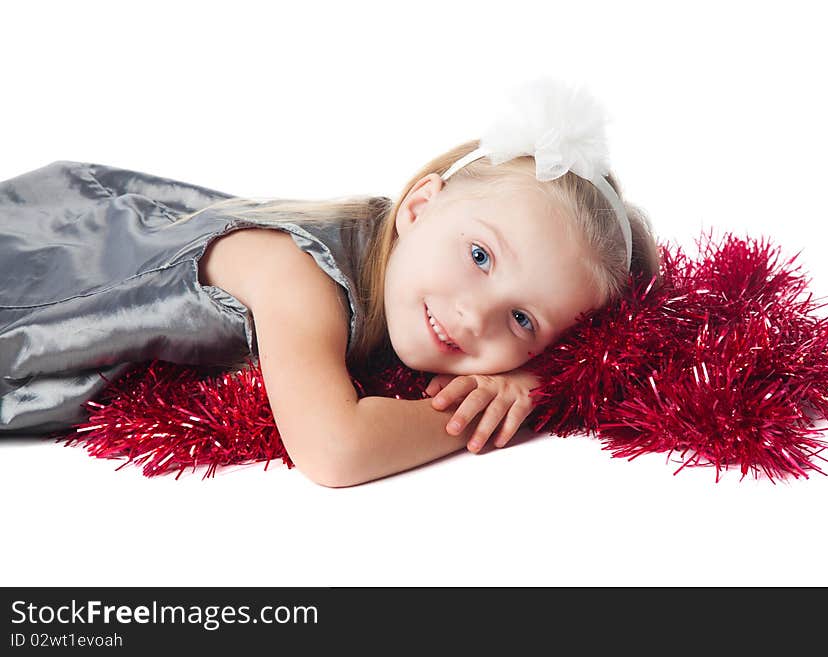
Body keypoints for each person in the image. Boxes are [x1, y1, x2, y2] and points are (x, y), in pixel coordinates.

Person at [1, 78, 660, 486]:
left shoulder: (394, 269)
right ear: (421, 206)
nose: (472, 318)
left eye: (522, 321)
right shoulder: (299, 277)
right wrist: (505, 417)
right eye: (482, 257)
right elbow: (336, 449)